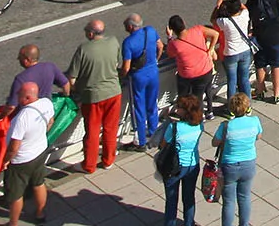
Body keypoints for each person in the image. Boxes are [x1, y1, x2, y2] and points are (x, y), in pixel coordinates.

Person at [67, 18, 122, 174]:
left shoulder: (84, 49)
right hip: (114, 92)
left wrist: (75, 89)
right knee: (110, 128)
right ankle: (108, 160)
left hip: (93, 97)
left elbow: (72, 78)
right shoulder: (113, 41)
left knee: (92, 131)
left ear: (90, 33)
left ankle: (89, 165)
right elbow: (116, 64)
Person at [0, 83, 51, 226]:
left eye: (19, 95)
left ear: (27, 98)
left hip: (21, 160)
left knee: (16, 194)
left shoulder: (22, 118)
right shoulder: (46, 103)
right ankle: (40, 213)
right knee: (39, 183)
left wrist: (5, 160)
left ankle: (13, 223)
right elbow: (50, 121)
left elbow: (14, 146)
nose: (17, 97)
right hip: (40, 152)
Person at [212, 93, 262, 226]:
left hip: (229, 165)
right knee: (245, 197)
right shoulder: (255, 121)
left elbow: (215, 143)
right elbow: (258, 136)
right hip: (249, 164)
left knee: (228, 201)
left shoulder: (226, 126)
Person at [119, 13, 163, 151]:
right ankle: (154, 133)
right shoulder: (150, 31)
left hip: (138, 76)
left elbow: (126, 67)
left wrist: (121, 77)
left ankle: (141, 141)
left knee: (138, 108)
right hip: (153, 72)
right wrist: (155, 60)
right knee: (152, 104)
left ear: (131, 26)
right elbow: (160, 46)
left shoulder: (128, 42)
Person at [160, 95, 203, 226]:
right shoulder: (199, 125)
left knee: (172, 200)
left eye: (179, 107)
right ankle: (189, 223)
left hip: (175, 167)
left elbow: (163, 145)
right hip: (193, 164)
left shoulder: (175, 127)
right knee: (189, 198)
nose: (177, 109)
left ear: (185, 111)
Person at [165, 14, 219, 118]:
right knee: (197, 97)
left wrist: (169, 37)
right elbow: (215, 34)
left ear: (172, 29)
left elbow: (170, 54)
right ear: (184, 23)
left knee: (183, 95)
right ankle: (198, 116)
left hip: (187, 75)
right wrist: (211, 48)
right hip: (205, 71)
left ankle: (185, 114)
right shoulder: (198, 30)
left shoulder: (175, 44)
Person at [213, 0, 254, 101]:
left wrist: (218, 4)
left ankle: (231, 107)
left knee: (232, 80)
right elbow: (244, 7)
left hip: (231, 53)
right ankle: (247, 103)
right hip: (245, 50)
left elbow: (213, 20)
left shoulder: (225, 22)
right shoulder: (245, 15)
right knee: (244, 78)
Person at [5, 44, 70, 112]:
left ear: (27, 60)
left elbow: (11, 107)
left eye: (20, 57)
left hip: (28, 115)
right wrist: (65, 95)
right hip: (47, 112)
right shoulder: (50, 67)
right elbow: (66, 85)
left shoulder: (20, 79)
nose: (18, 59)